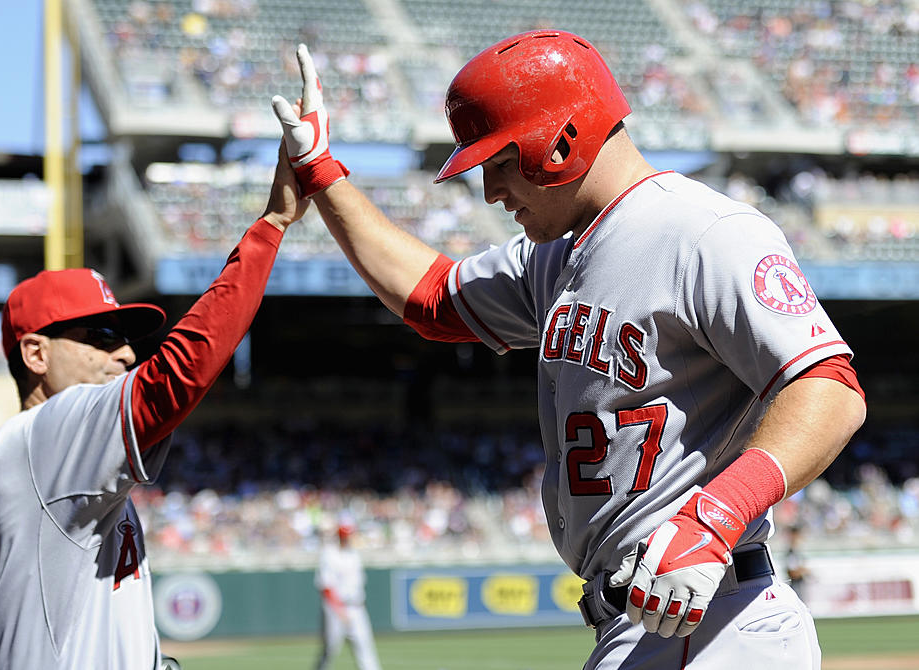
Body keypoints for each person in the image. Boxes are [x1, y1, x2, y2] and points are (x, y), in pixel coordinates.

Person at [271, 31, 867, 669]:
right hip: (646, 619)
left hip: (711, 614)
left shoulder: (705, 232)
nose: (490, 192)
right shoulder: (557, 255)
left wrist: (714, 518)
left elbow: (828, 389)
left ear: (560, 142)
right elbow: (433, 299)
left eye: (500, 163)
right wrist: (321, 174)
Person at [0, 144, 307, 669]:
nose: (125, 351)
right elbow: (176, 375)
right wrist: (273, 224)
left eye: (123, 337)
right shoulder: (41, 437)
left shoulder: (60, 466)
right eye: (101, 335)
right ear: (36, 353)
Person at [313, 523, 382, 670]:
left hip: (357, 606)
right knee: (330, 649)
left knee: (365, 648)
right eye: (347, 536)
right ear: (340, 536)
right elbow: (326, 585)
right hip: (336, 608)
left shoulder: (354, 555)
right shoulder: (329, 554)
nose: (349, 538)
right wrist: (339, 610)